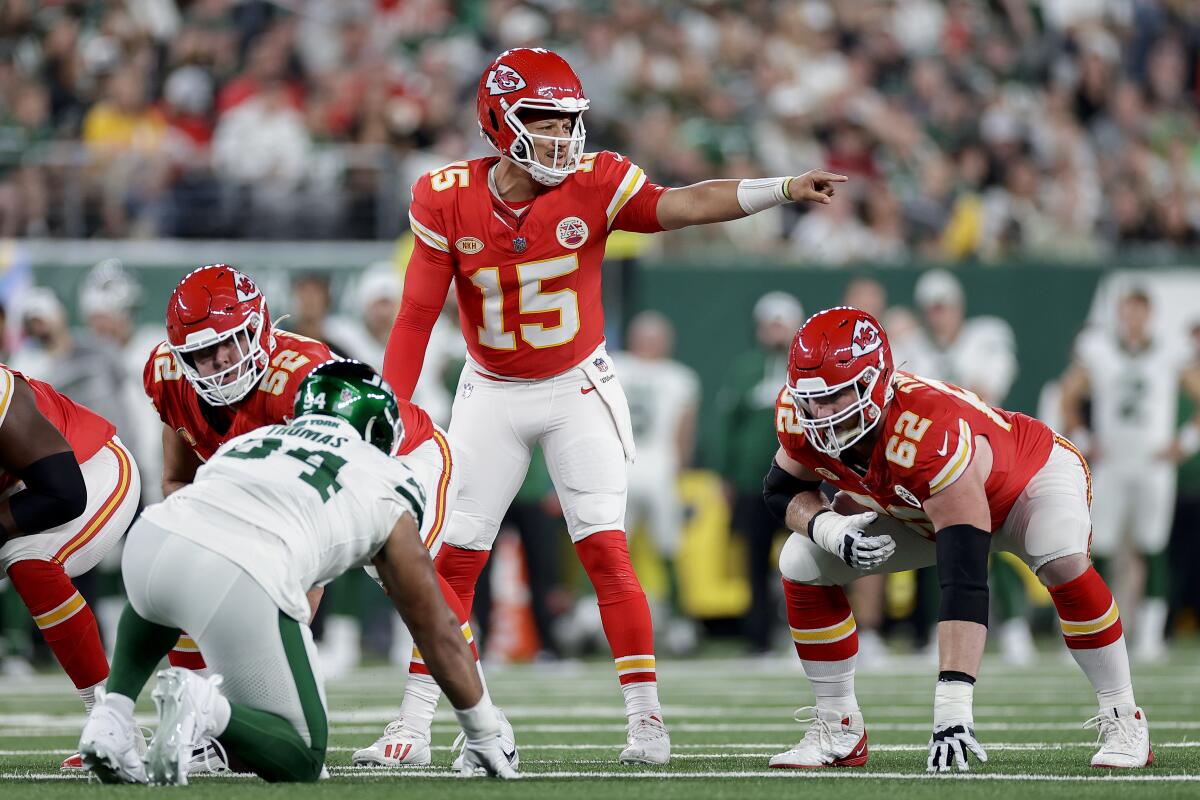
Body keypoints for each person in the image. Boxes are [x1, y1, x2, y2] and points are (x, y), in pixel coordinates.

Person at [382, 47, 845, 765]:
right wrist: (392, 407)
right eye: (543, 119)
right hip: (491, 389)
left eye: (569, 120)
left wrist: (781, 187)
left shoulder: (595, 183)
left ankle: (646, 722)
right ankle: (411, 724)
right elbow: (415, 316)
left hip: (576, 386)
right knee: (454, 560)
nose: (562, 137)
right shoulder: (446, 195)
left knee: (603, 546)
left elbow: (683, 204)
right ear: (498, 120)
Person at [77, 360, 518, 784]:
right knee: (303, 755)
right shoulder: (387, 481)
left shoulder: (254, 440)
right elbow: (434, 622)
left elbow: (190, 511)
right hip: (237, 573)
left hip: (151, 540)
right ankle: (203, 706)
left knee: (170, 576)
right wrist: (481, 729)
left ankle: (110, 716)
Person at [143, 265, 508, 769]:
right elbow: (177, 478)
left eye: (230, 343)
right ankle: (199, 731)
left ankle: (445, 725)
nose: (219, 362)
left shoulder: (299, 376)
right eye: (201, 354)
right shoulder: (170, 379)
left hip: (395, 460)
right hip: (304, 491)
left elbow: (320, 526)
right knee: (201, 572)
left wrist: (280, 610)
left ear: (259, 328)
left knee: (401, 575)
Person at [764, 306, 1150, 771]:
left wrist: (952, 708)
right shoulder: (799, 415)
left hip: (1025, 480)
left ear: (876, 383)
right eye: (813, 399)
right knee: (803, 560)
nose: (822, 414)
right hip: (921, 505)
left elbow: (964, 575)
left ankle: (1123, 715)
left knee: (1059, 556)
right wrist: (827, 527)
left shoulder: (926, 432)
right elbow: (782, 488)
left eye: (839, 397)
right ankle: (838, 727)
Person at [0, 363, 140, 771]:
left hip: (89, 468)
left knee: (29, 560)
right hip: (25, 487)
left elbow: (64, 495)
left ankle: (113, 725)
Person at [1059, 288, 1200, 660]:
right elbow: (1067, 394)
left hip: (1154, 463)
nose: (1133, 318)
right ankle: (1092, 635)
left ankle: (1150, 636)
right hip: (1114, 462)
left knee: (1152, 546)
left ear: (1149, 313)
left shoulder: (1170, 351)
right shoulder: (1100, 350)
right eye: (1128, 311)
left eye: (1140, 311)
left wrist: (1184, 443)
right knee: (1098, 548)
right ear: (1120, 313)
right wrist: (1084, 437)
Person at [911, 269, 1032, 665]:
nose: (938, 316)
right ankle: (939, 631)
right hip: (939, 464)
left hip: (986, 454)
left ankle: (1015, 627)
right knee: (940, 546)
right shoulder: (914, 347)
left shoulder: (984, 337)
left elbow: (986, 392)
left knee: (999, 542)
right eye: (932, 308)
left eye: (943, 307)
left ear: (958, 307)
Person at [716, 291, 804, 654]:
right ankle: (759, 638)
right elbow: (728, 424)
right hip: (753, 482)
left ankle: (814, 632)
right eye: (769, 323)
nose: (774, 330)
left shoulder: (807, 367)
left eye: (780, 323)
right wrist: (726, 474)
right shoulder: (745, 368)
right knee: (754, 560)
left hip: (799, 480)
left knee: (809, 556)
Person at [613, 311, 699, 646]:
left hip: (622, 467)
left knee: (612, 547)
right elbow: (685, 431)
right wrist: (682, 468)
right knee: (668, 547)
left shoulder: (614, 366)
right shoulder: (680, 377)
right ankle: (679, 623)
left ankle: (591, 614)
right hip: (660, 468)